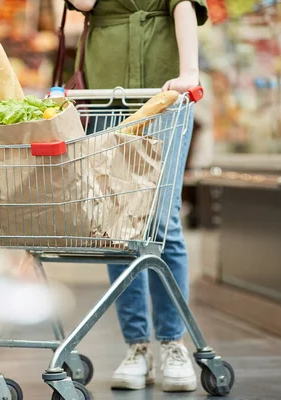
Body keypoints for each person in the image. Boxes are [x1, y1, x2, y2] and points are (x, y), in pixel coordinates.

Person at [66, 0, 208, 393]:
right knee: (118, 224)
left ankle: (171, 342)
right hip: (105, 96)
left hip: (165, 95)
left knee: (162, 221)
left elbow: (183, 6)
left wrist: (190, 73)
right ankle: (137, 345)